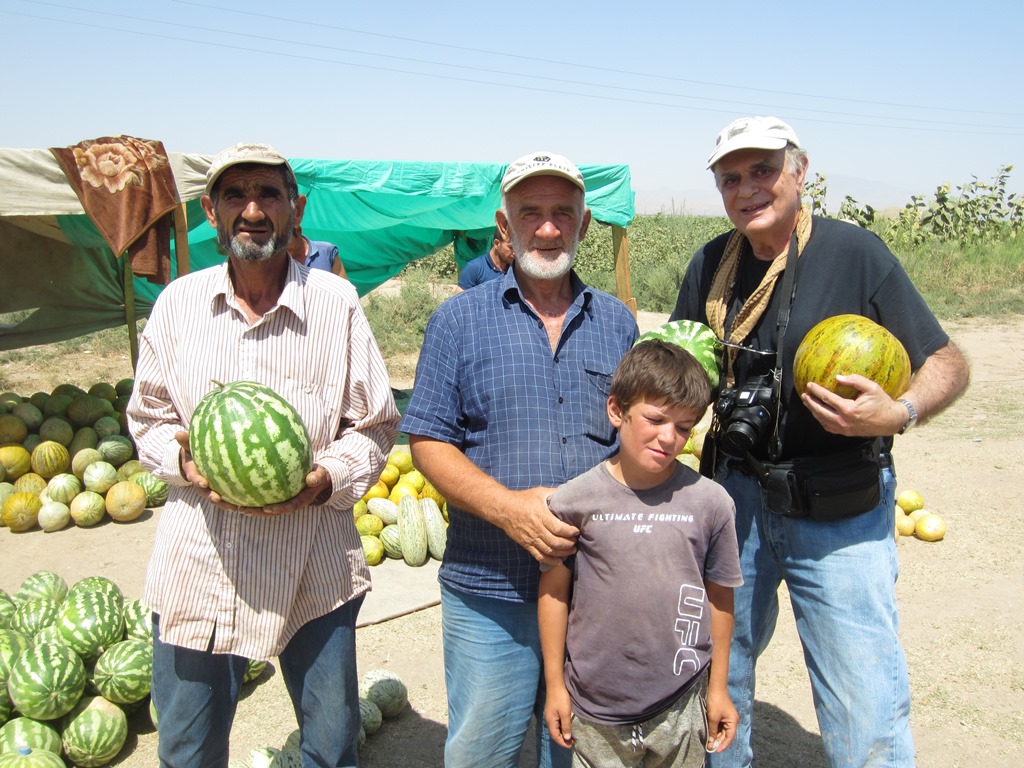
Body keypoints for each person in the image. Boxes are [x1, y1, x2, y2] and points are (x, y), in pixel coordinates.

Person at [669, 117, 970, 768]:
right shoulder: (708, 263)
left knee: (863, 695)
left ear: (800, 172)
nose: (747, 188)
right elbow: (679, 365)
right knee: (719, 670)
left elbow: (946, 360)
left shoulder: (854, 253)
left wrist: (901, 411)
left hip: (839, 507)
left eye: (763, 171)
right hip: (735, 500)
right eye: (731, 178)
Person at [126, 141, 400, 768]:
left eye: (268, 195)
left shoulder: (336, 305)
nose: (253, 210)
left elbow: (376, 425)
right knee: (188, 749)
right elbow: (148, 419)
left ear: (294, 207)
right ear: (211, 211)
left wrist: (324, 478)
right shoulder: (177, 307)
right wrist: (185, 463)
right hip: (202, 561)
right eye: (235, 196)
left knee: (330, 747)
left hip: (313, 564)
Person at [400, 151, 640, 768]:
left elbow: (633, 446)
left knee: (580, 750)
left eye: (564, 213)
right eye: (530, 212)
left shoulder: (617, 323)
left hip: (594, 593)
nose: (549, 227)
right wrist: (508, 510)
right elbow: (426, 438)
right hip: (489, 588)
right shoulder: (458, 319)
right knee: (485, 752)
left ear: (584, 225)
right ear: (504, 228)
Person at [538, 339, 742, 768]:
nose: (669, 438)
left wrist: (718, 688)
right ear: (617, 411)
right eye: (656, 419)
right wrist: (555, 685)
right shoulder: (575, 500)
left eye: (684, 427)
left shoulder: (711, 503)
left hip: (681, 703)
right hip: (595, 709)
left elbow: (720, 598)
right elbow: (554, 591)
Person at [454, 227, 514, 291]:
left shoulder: (515, 270)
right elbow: (459, 299)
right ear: (497, 244)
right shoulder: (474, 269)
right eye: (511, 247)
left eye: (518, 249)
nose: (515, 253)